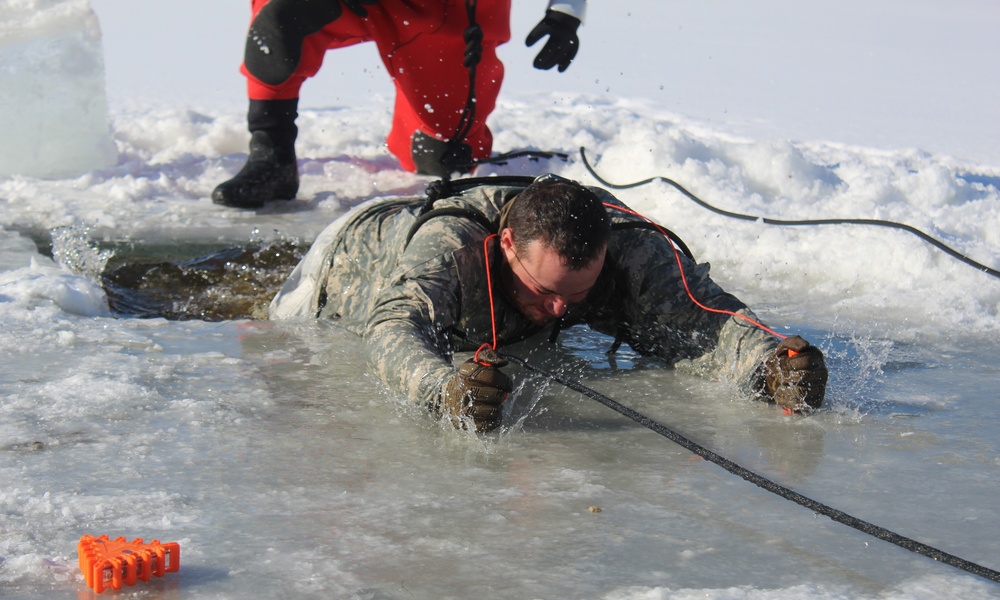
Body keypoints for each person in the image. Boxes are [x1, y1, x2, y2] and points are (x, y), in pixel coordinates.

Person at [268, 174, 829, 431]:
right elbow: (393, 329)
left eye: (577, 294)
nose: (563, 310)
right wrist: (442, 391)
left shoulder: (626, 246)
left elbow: (701, 313)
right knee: (242, 302)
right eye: (545, 291)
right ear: (507, 244)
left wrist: (769, 362)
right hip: (341, 268)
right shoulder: (453, 249)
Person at [212, 0, 587, 209]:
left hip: (445, 14)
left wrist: (566, 12)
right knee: (281, 14)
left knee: (440, 158)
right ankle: (270, 151)